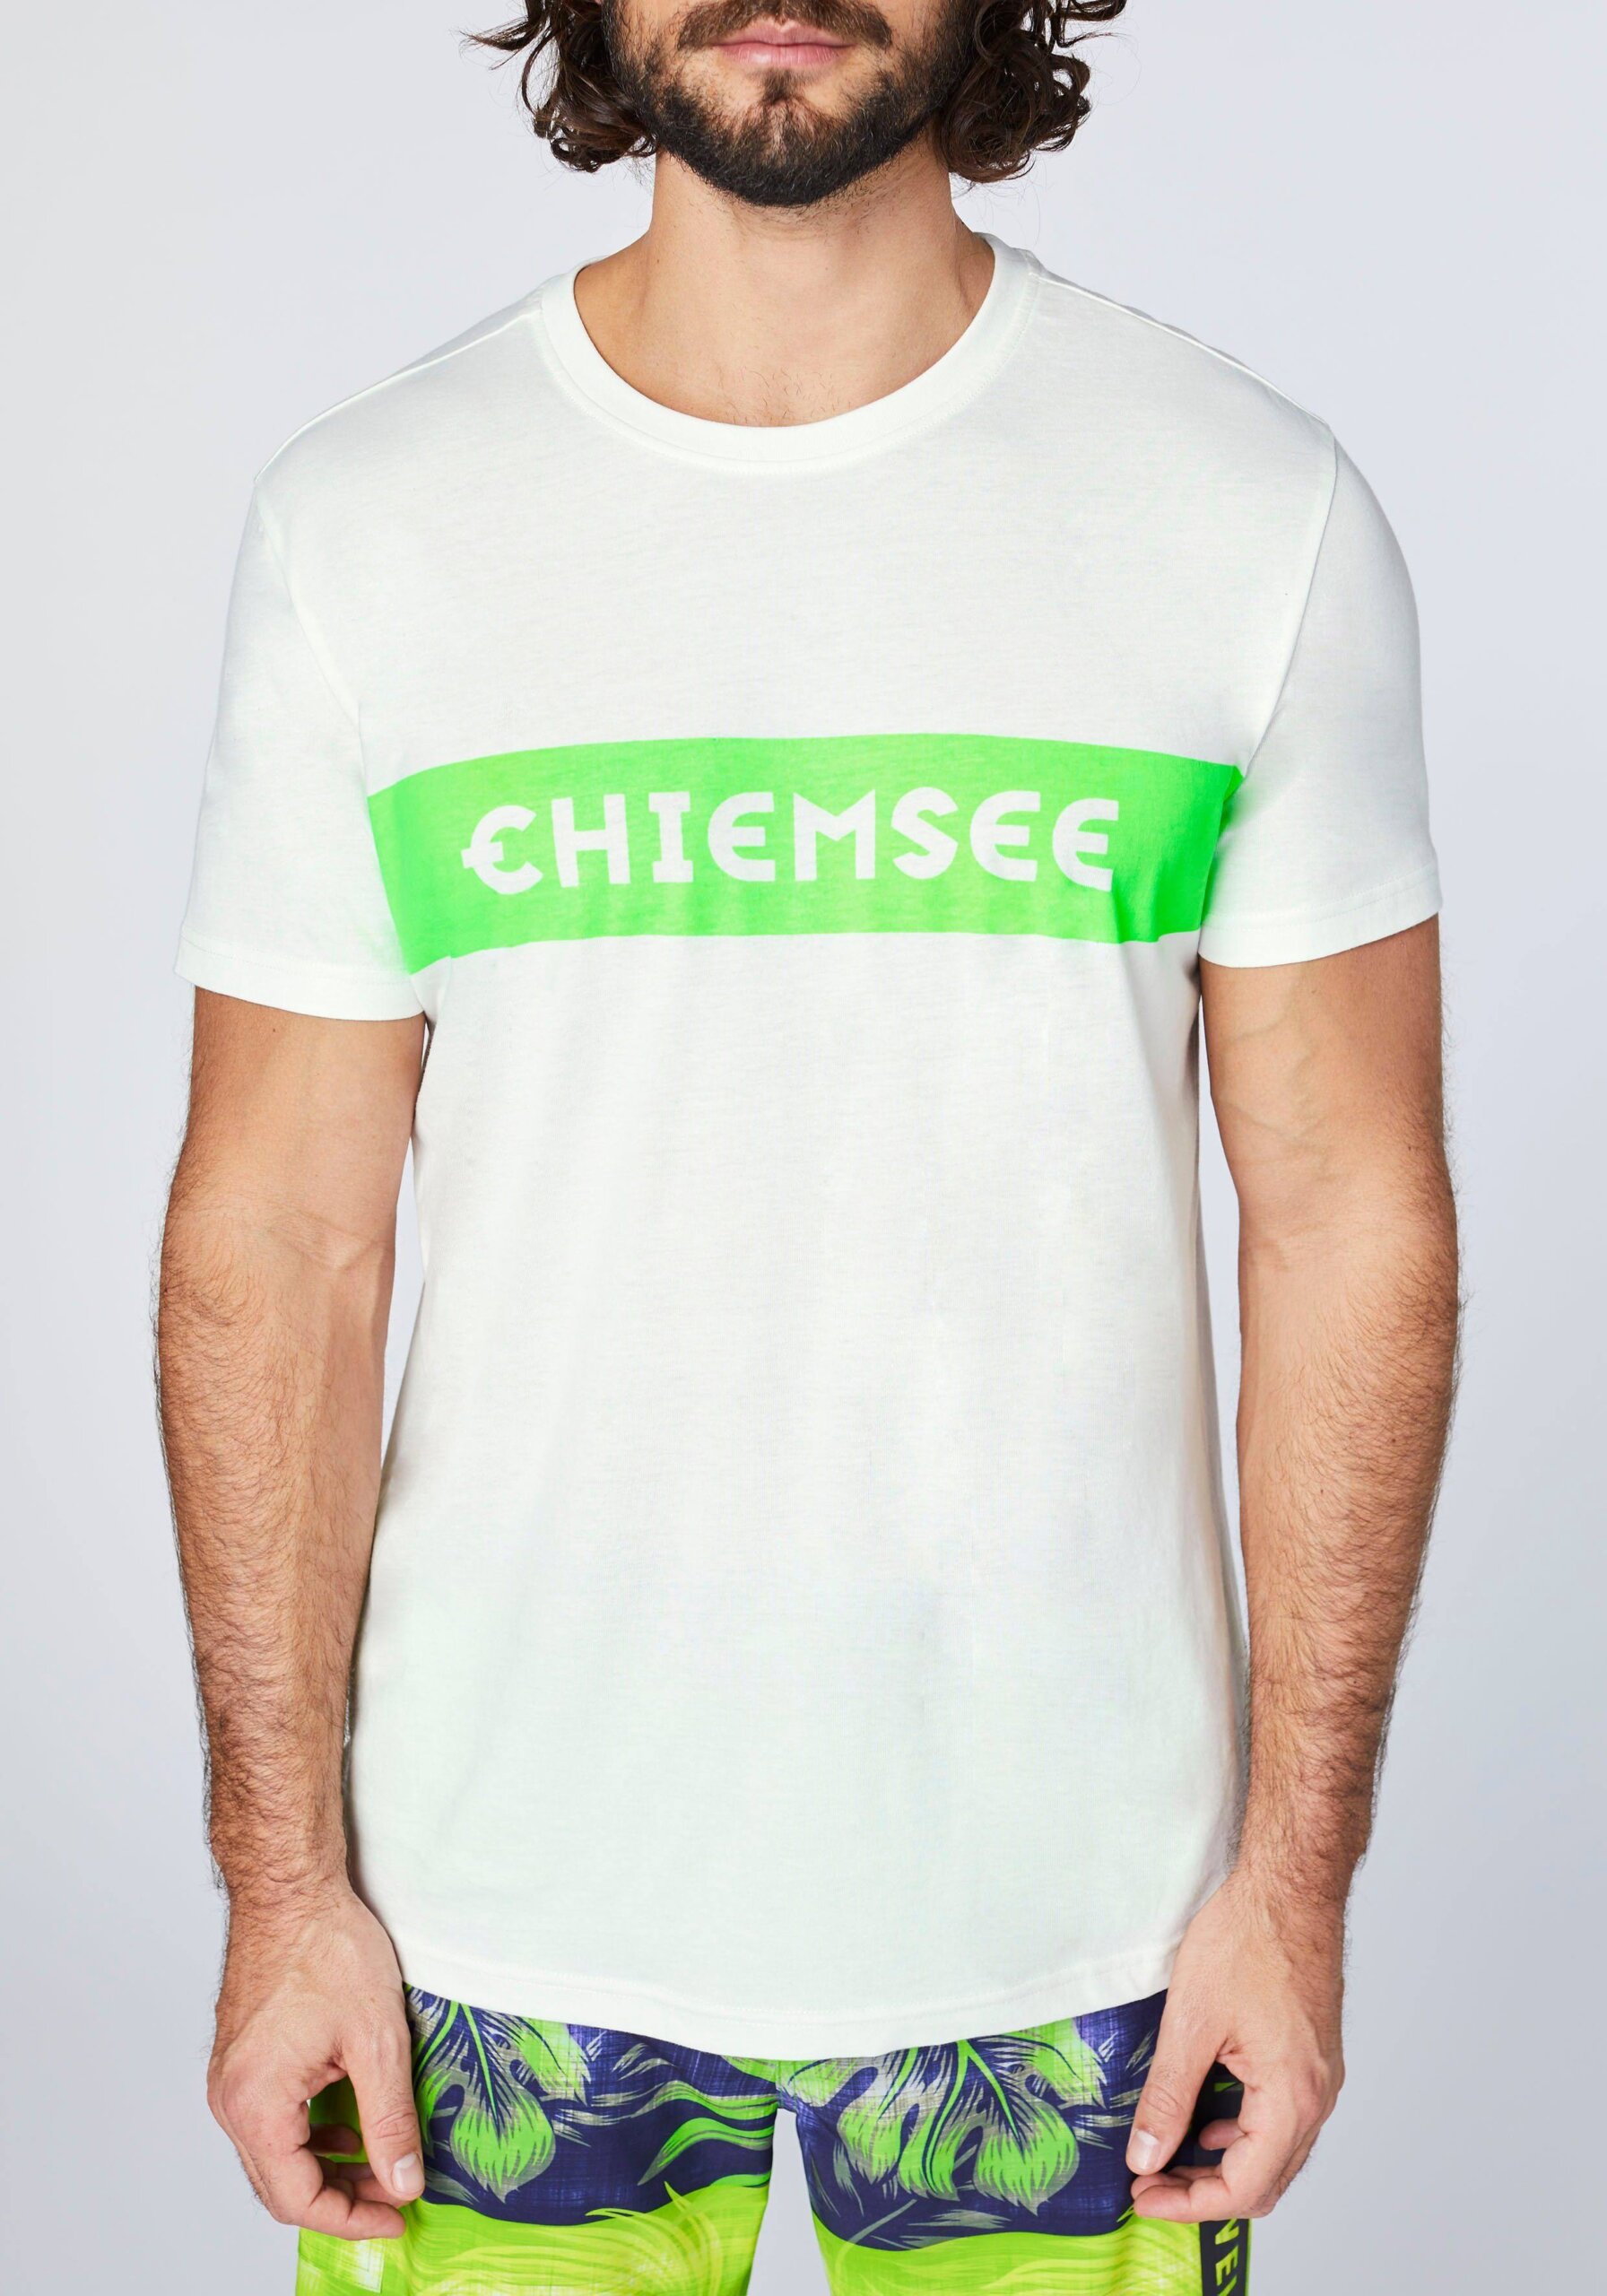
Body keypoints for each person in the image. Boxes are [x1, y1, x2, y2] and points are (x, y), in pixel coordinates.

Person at [157, 1, 1458, 2289]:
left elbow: (1349, 1217)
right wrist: (281, 1890)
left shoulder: (1244, 509)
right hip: (482, 1935)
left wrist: (1292, 1881)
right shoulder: (371, 521)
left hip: (1082, 1954)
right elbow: (275, 1235)